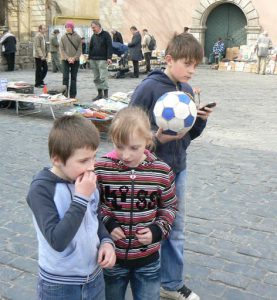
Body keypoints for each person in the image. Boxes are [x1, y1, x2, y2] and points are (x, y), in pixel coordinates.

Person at [131, 33, 214, 300]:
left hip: (178, 170)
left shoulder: (187, 91)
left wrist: (199, 120)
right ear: (169, 59)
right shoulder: (148, 88)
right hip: (150, 171)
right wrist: (156, 139)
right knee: (145, 226)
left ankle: (172, 284)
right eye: (187, 64)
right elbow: (127, 132)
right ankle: (138, 277)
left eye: (196, 65)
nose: (192, 70)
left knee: (175, 228)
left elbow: (187, 137)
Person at [26, 115, 116, 300]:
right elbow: (57, 240)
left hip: (94, 277)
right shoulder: (41, 189)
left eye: (94, 157)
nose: (91, 166)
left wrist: (106, 241)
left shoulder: (86, 179)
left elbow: (94, 218)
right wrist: (81, 197)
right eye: (83, 161)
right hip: (59, 284)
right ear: (57, 159)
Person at [95, 106, 177, 300]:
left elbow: (170, 207)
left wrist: (158, 230)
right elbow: (93, 206)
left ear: (147, 141)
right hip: (112, 258)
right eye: (119, 146)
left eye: (134, 148)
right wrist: (107, 222)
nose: (126, 155)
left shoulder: (161, 171)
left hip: (148, 260)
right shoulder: (101, 168)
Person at [89, 21, 113, 101]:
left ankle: (105, 95)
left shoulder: (106, 35)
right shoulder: (93, 36)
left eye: (94, 27)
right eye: (92, 28)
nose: (92, 29)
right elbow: (91, 47)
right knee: (96, 78)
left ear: (98, 26)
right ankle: (99, 94)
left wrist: (109, 57)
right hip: (93, 59)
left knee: (103, 77)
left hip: (102, 59)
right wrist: (89, 58)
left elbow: (110, 46)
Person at [60, 20, 82, 98]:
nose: (67, 28)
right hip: (65, 60)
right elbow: (61, 49)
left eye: (68, 26)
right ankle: (64, 95)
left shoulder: (78, 37)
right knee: (65, 77)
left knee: (73, 78)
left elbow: (79, 49)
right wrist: (67, 58)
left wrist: (74, 58)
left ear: (72, 27)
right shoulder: (63, 37)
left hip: (75, 60)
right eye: (66, 27)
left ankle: (73, 95)